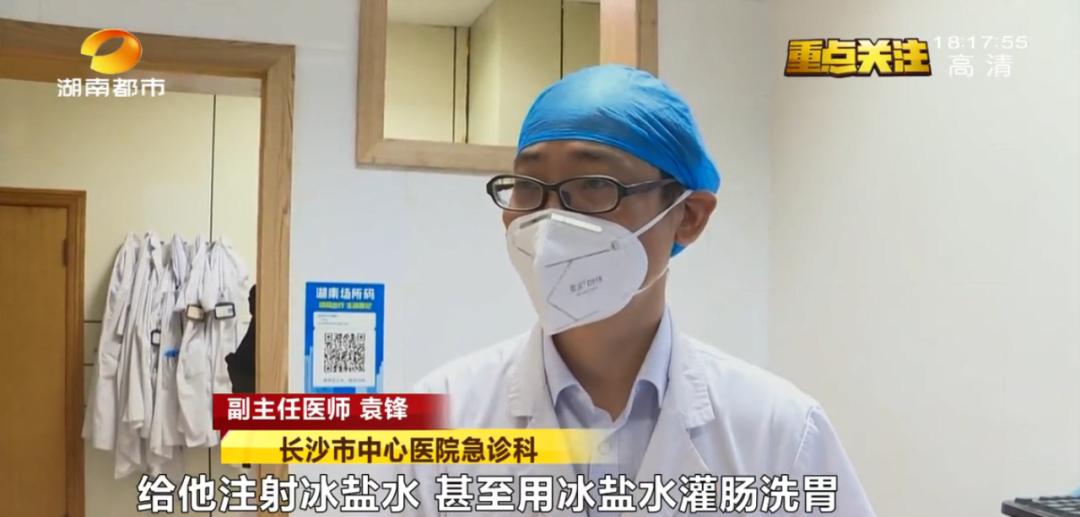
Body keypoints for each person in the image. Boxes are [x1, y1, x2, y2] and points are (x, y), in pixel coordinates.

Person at [411, 64, 876, 516]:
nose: (549, 221)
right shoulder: (439, 417)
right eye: (528, 186)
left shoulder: (781, 433)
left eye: (594, 184)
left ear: (688, 215)